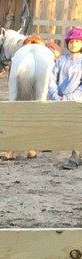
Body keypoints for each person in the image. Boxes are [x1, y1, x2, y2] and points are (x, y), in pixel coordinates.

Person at [48, 26, 82, 169]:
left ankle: (75, 157)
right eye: (71, 41)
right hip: (61, 100)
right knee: (68, 128)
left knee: (77, 128)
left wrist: (70, 97)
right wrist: (56, 96)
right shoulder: (61, 60)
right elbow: (52, 78)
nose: (73, 44)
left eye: (77, 41)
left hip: (77, 100)